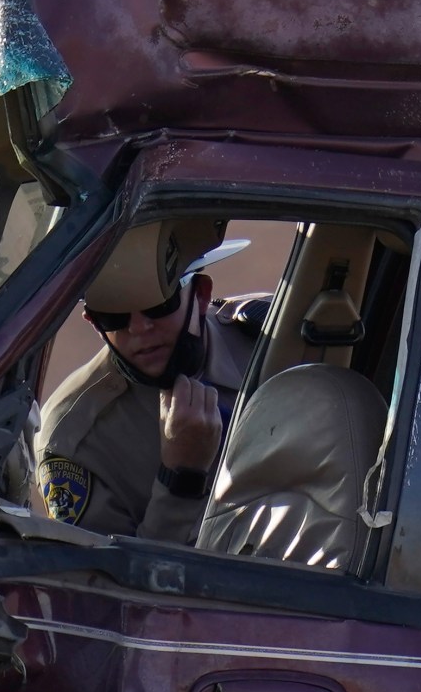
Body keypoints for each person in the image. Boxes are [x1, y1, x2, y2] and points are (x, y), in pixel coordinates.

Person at [34, 219, 255, 542]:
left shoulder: (269, 338)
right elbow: (107, 587)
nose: (138, 330)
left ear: (202, 295)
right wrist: (181, 479)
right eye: (115, 316)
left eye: (158, 306)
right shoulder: (74, 441)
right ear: (94, 323)